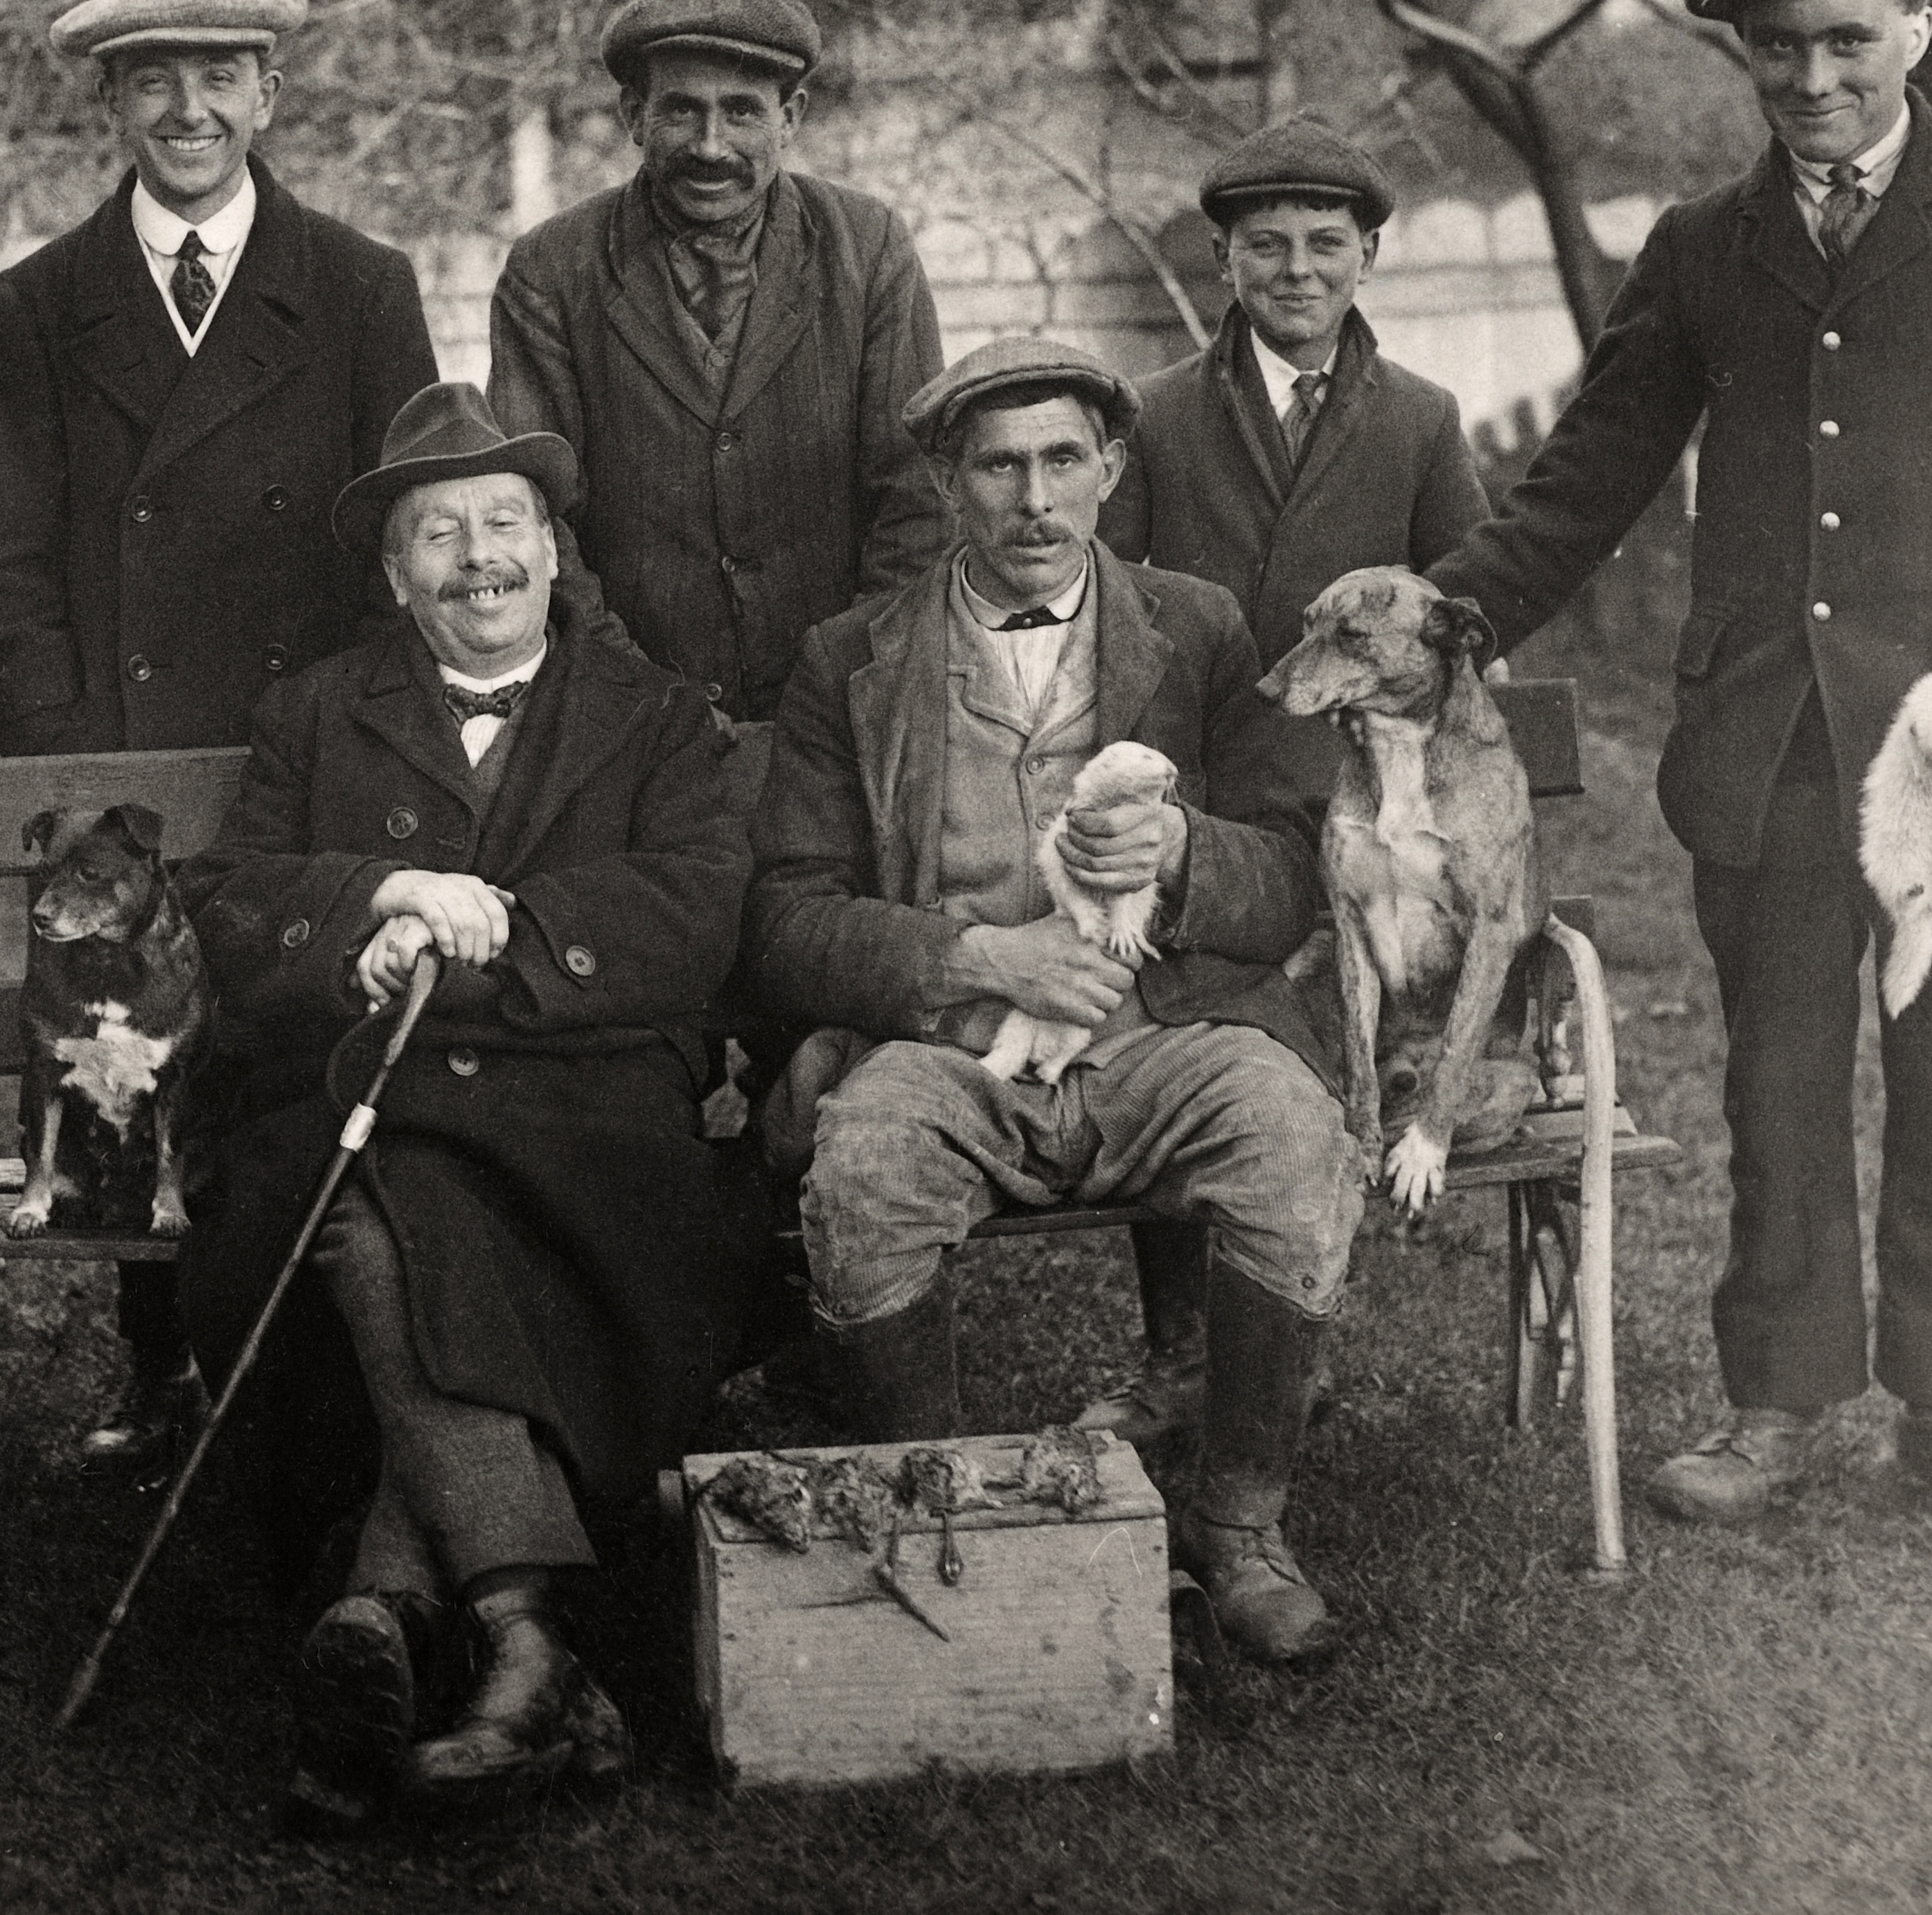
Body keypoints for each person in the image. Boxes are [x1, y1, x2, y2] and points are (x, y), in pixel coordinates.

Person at [1424, 0, 1932, 1529]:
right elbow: (1587, 477)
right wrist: (1447, 615)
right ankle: (1776, 1401)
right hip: (1766, 752)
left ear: (1917, 27)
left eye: (1846, 38)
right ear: (1742, 57)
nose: (1814, 77)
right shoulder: (1702, 246)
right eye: (1778, 48)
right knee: (1775, 1087)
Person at [177, 382, 753, 1826]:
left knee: (385, 1207)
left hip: (590, 1107)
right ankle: (530, 1636)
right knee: (381, 1181)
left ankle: (385, 1603)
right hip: (367, 1087)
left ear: (556, 551)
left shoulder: (656, 713)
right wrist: (369, 894)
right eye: (440, 533)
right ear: (393, 573)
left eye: (506, 523)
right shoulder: (316, 711)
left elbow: (687, 917)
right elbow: (238, 915)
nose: (478, 557)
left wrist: (471, 937)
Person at [746, 336, 1358, 1666]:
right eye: (998, 465)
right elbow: (785, 921)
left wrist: (1187, 850)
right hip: (949, 1047)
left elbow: (1289, 878)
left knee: (1288, 1132)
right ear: (946, 483)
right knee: (863, 1175)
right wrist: (974, 960)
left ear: (1111, 469)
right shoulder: (848, 656)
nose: (1032, 499)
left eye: (1062, 461)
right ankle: (954, 1523)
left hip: (1160, 1034)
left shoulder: (1194, 625)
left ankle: (1237, 1525)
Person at [0, 0, 442, 1469]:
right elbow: (4, 552)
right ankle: (156, 1362)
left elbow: (402, 530)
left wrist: (355, 735)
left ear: (267, 95)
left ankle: (302, 1358)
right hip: (126, 763)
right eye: (153, 79)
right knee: (130, 1037)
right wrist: (83, 763)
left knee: (287, 1038)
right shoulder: (44, 300)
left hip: (300, 751)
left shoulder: (361, 285)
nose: (189, 108)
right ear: (111, 102)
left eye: (219, 75)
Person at [1082, 115, 1490, 1449]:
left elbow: (1466, 622)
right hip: (1203, 800)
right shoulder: (1150, 412)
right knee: (1181, 1023)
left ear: (1367, 256)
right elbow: (1113, 617)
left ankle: (1284, 1337)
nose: (1296, 270)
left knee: (1318, 1048)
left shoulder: (1420, 421)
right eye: (1266, 246)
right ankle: (1176, 1348)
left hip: (1362, 807)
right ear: (1223, 260)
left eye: (1325, 245)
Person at [487, 0, 947, 721]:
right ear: (635, 117)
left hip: (842, 712)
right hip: (629, 719)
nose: (710, 145)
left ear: (791, 117)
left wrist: (846, 678)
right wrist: (637, 695)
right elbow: (536, 519)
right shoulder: (551, 271)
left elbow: (918, 497)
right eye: (681, 112)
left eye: (741, 112)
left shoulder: (868, 249)